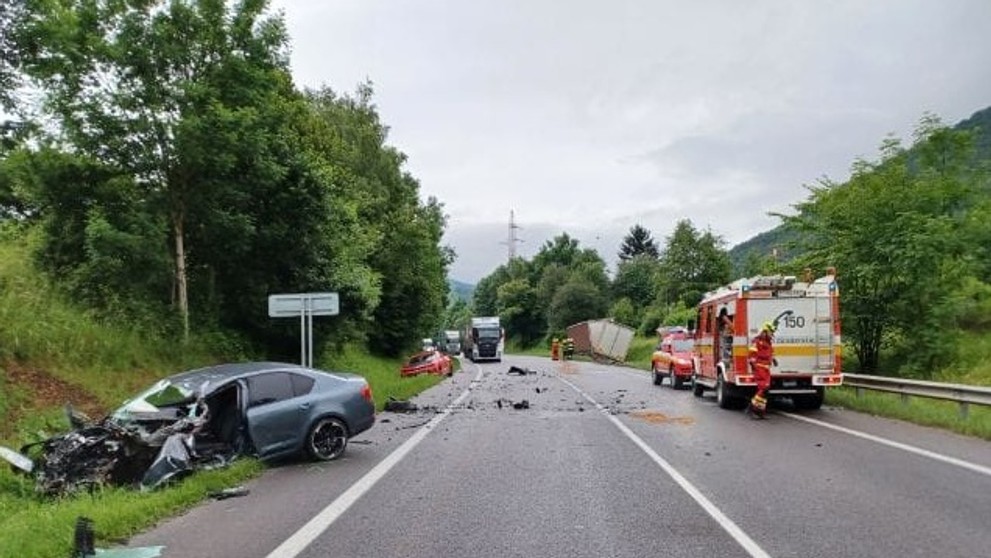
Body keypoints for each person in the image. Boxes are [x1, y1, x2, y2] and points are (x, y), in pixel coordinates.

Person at [747, 321, 777, 418]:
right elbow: (751, 354)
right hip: (759, 368)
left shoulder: (768, 342)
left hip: (766, 369)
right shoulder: (757, 341)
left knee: (765, 391)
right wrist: (754, 366)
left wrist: (773, 359)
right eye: (771, 332)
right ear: (765, 331)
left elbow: (769, 353)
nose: (772, 334)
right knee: (764, 388)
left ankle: (760, 411)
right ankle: (752, 407)